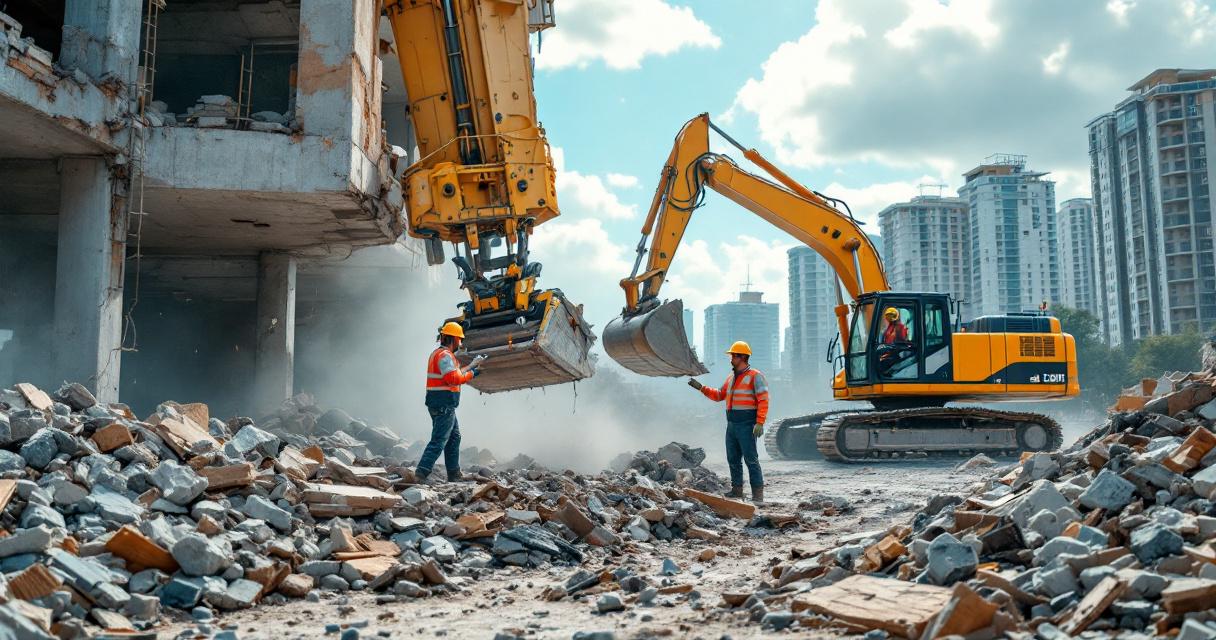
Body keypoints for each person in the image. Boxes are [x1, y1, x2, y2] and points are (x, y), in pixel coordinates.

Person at [687, 341, 768, 502]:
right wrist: (701, 387)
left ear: (743, 357)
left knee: (751, 459)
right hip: (732, 424)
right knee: (733, 459)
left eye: (734, 355)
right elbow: (719, 395)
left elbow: (764, 400)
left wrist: (759, 422)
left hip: (747, 423)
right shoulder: (731, 378)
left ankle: (758, 496)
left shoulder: (755, 376)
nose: (731, 358)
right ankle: (737, 490)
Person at [415, 321, 483, 482]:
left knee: (454, 437)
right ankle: (421, 473)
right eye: (459, 339)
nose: (460, 343)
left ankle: (454, 474)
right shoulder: (445, 356)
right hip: (443, 404)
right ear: (453, 339)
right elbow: (453, 379)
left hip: (441, 403)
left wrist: (472, 366)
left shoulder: (439, 354)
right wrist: (472, 374)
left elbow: (455, 372)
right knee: (439, 440)